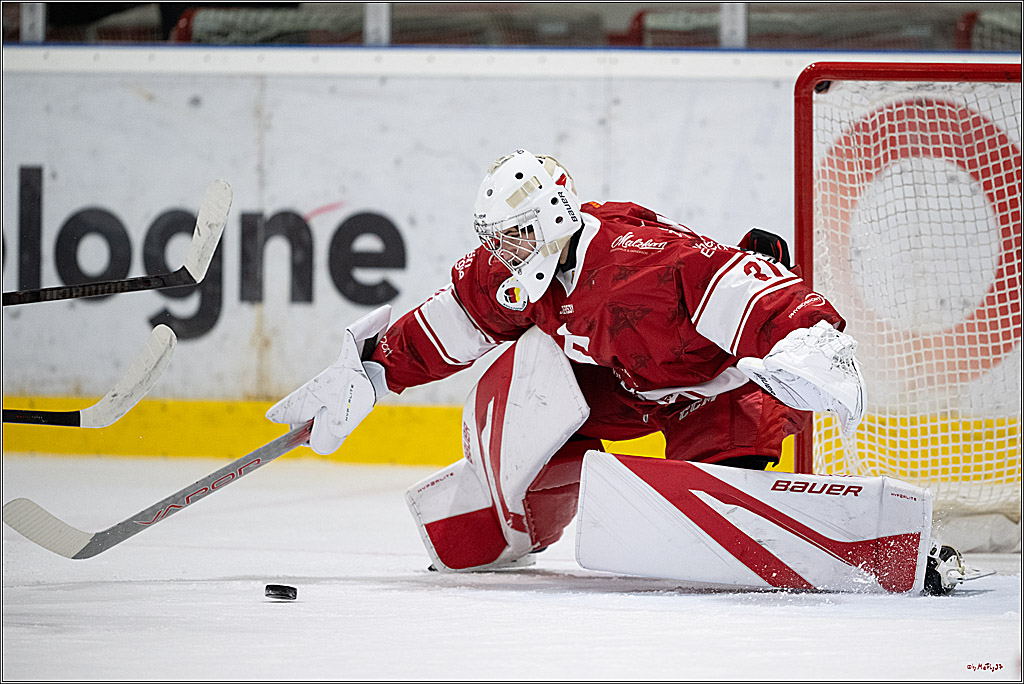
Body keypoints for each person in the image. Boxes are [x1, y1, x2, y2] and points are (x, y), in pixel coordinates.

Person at [266, 149, 977, 593]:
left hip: (718, 394)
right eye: (496, 239)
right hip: (632, 393)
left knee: (718, 540)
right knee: (526, 367)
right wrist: (374, 371)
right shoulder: (511, 271)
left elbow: (738, 277)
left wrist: (809, 338)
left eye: (517, 234)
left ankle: (841, 538)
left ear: (553, 218)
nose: (507, 251)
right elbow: (457, 318)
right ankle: (503, 518)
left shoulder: (640, 261)